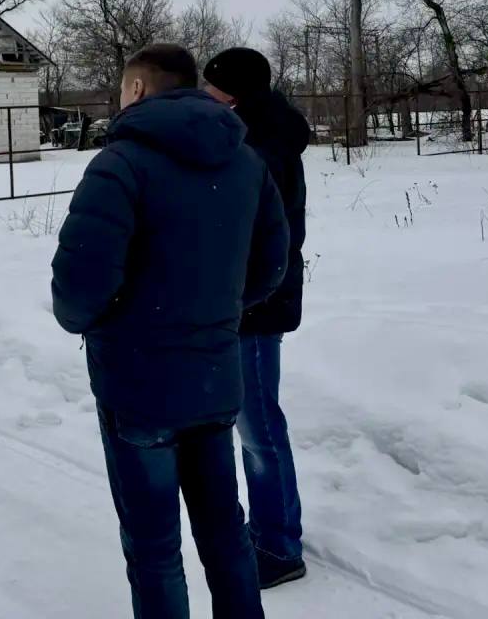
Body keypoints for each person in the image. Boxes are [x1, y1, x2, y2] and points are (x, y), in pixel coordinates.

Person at [52, 44, 290, 619]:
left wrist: (108, 323)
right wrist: (214, 313)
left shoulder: (120, 164)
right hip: (212, 381)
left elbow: (78, 289)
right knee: (226, 533)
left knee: (155, 551)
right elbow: (271, 266)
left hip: (139, 389)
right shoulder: (245, 161)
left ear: (136, 90)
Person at [202, 48, 310, 590]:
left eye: (213, 89)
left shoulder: (259, 146)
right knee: (254, 424)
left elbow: (256, 234)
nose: (206, 96)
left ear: (235, 93)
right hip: (250, 299)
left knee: (259, 426)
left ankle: (278, 545)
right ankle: (272, 527)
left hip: (256, 304)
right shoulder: (255, 134)